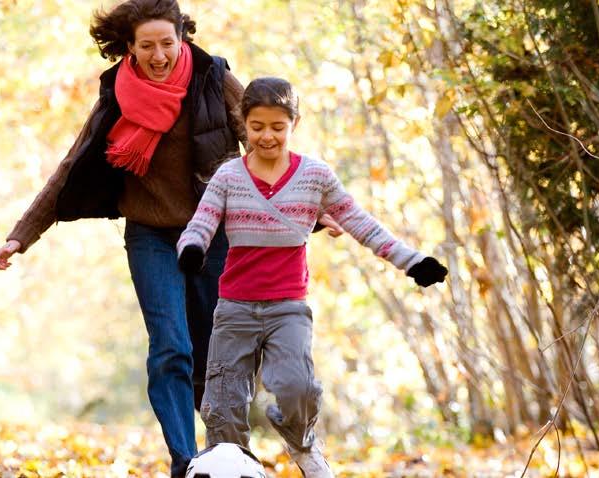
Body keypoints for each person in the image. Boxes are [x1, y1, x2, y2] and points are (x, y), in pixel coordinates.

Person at [0, 2, 340, 476]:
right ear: (129, 48)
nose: (158, 56)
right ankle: (185, 460)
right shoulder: (117, 92)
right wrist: (21, 236)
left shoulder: (213, 78)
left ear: (182, 38)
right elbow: (72, 165)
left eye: (167, 44)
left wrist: (315, 209)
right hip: (150, 236)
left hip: (213, 234)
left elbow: (264, 144)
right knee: (171, 346)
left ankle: (226, 454)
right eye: (147, 46)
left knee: (216, 354)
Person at [175, 77, 448, 478]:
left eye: (277, 127)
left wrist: (412, 262)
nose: (267, 136)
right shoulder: (229, 176)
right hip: (234, 308)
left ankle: (303, 444)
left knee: (297, 388)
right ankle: (229, 466)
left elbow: (360, 223)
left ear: (294, 124)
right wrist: (192, 248)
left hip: (287, 308)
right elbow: (202, 222)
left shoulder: (314, 176)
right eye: (257, 126)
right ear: (243, 124)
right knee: (223, 403)